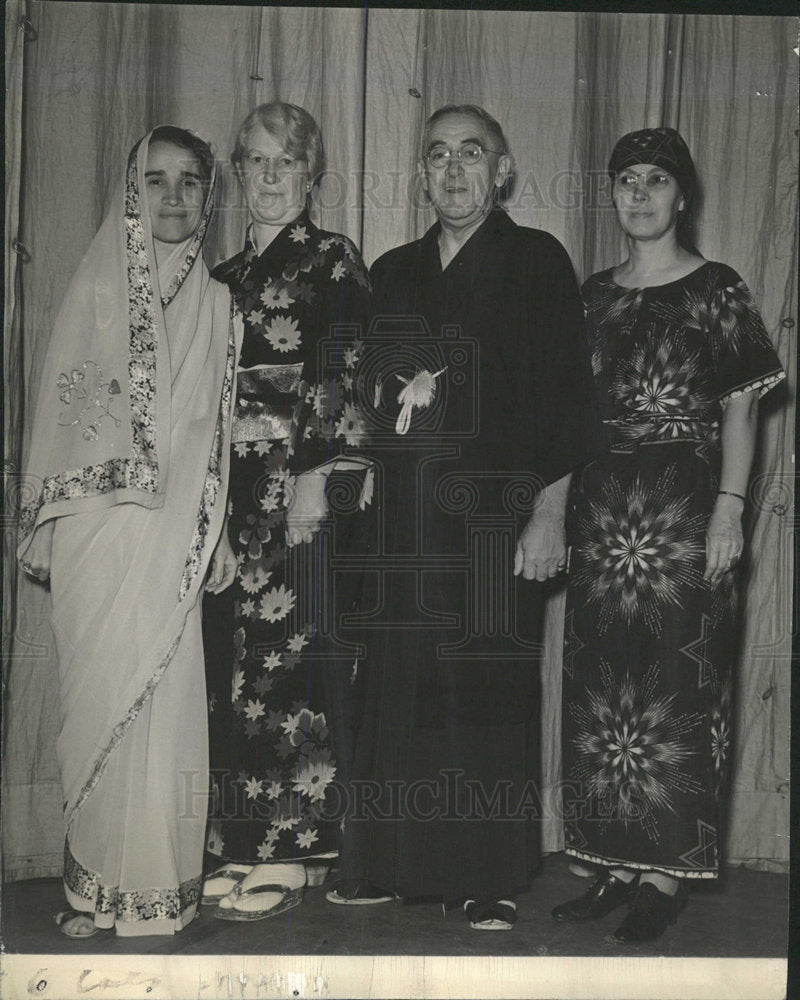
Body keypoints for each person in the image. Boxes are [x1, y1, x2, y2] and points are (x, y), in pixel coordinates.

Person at [325, 104, 605, 930]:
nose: (453, 170)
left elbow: (565, 398)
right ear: (420, 174)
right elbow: (376, 403)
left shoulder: (536, 261)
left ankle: (488, 875)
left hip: (495, 519)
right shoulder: (397, 268)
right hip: (404, 524)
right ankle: (385, 864)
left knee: (483, 694)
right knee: (396, 689)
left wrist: (549, 515)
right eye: (438, 155)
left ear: (504, 171)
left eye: (471, 154)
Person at [552, 127, 785, 943]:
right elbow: (565, 411)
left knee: (677, 687)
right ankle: (611, 863)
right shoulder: (591, 295)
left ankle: (662, 872)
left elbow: (742, 406)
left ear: (682, 195)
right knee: (604, 688)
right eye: (626, 180)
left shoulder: (717, 286)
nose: (640, 194)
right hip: (601, 505)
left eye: (656, 180)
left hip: (685, 505)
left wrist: (731, 505)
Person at [17, 126, 238, 937]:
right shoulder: (95, 289)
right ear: (129, 192)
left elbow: (217, 432)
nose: (173, 196)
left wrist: (216, 533)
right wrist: (57, 513)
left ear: (209, 198)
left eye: (189, 182)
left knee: (165, 701)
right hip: (96, 535)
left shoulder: (218, 302)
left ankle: (151, 889)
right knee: (95, 706)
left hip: (175, 531)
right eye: (155, 180)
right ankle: (92, 888)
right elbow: (62, 416)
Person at [201, 102, 374, 921]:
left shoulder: (332, 262)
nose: (270, 179)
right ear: (237, 173)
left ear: (310, 176)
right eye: (256, 164)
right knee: (231, 667)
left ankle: (299, 851)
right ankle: (239, 842)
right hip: (224, 488)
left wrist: (315, 477)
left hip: (293, 480)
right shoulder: (222, 277)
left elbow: (340, 370)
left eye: (287, 165)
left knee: (289, 660)